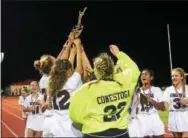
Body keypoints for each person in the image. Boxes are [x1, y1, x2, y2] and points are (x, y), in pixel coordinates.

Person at [69, 45, 140, 138]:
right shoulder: (125, 82)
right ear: (112, 68)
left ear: (96, 70)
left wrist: (89, 121)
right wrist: (119, 54)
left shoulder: (86, 89)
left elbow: (75, 116)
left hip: (94, 133)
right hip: (121, 133)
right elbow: (133, 69)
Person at [44, 38, 83, 137]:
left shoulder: (51, 82)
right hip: (72, 130)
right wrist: (78, 47)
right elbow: (79, 67)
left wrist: (71, 49)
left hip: (57, 129)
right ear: (68, 71)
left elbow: (62, 66)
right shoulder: (73, 82)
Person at [128, 69, 165, 138]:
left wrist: (150, 100)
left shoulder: (156, 90)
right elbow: (130, 109)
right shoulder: (136, 91)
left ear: (151, 77)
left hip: (154, 118)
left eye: (146, 74)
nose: (143, 75)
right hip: (141, 119)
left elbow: (162, 107)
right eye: (142, 74)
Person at [160, 67, 188, 138]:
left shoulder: (187, 88)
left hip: (185, 114)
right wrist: (166, 107)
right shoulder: (168, 90)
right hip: (173, 116)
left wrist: (186, 101)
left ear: (182, 77)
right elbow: (165, 102)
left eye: (176, 76)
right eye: (172, 76)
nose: (173, 78)